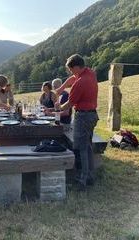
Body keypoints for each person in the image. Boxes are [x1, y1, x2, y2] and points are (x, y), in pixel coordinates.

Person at [55, 54, 99, 191]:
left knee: (81, 148)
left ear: (76, 67)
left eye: (70, 69)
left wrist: (59, 107)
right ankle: (90, 176)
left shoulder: (80, 83)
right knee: (88, 146)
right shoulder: (90, 73)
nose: (70, 72)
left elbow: (70, 103)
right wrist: (62, 87)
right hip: (92, 115)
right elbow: (73, 78)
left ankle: (83, 179)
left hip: (83, 117)